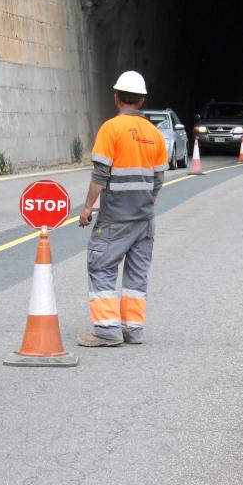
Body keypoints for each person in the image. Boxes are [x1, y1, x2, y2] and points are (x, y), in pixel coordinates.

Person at [76, 70, 168, 347]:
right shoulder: (154, 134)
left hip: (115, 216)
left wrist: (87, 208)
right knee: (136, 273)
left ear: (117, 98)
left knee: (101, 266)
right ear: (142, 101)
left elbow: (100, 176)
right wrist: (145, 206)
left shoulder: (111, 129)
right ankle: (133, 329)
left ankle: (106, 330)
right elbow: (158, 180)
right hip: (144, 219)